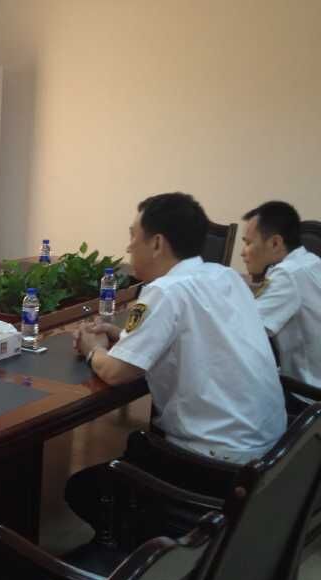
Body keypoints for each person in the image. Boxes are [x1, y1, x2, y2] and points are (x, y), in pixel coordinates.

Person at [67, 192, 286, 538]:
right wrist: (121, 335)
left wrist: (93, 349)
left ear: (156, 244)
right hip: (269, 454)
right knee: (132, 450)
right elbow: (198, 336)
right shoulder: (226, 276)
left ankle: (146, 555)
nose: (128, 247)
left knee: (83, 488)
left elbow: (118, 372)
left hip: (216, 466)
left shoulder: (165, 291)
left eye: (133, 236)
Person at [240, 200, 321, 394]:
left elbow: (244, 331)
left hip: (307, 394)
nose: (243, 253)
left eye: (248, 243)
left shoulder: (288, 275)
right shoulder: (309, 262)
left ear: (275, 243)